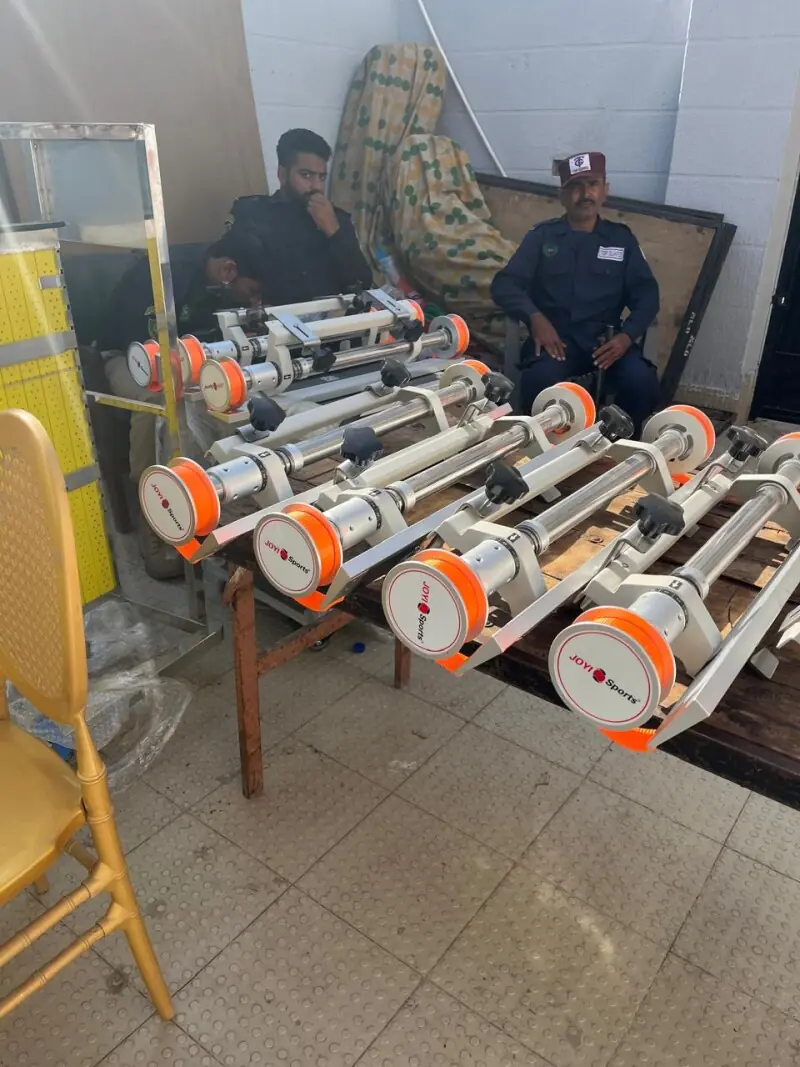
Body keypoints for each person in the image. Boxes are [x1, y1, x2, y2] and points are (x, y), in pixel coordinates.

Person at [99, 227, 263, 577]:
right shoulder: (163, 276)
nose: (252, 302)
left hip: (183, 362)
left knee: (228, 399)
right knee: (156, 406)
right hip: (129, 357)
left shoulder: (211, 287)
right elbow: (137, 347)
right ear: (229, 270)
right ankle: (154, 521)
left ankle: (211, 506)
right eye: (251, 292)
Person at [491, 151, 660, 435]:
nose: (585, 194)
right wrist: (535, 318)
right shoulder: (542, 237)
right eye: (576, 187)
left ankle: (616, 444)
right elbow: (504, 285)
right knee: (540, 381)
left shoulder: (621, 239)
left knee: (642, 383)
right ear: (563, 195)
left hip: (607, 342)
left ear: (605, 190)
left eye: (593, 184)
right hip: (557, 341)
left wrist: (626, 336)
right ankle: (547, 447)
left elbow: (648, 295)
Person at [230, 128, 373, 304]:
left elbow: (363, 282)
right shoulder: (255, 214)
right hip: (276, 325)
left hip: (334, 324)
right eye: (306, 175)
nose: (316, 186)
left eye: (321, 177)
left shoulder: (336, 219)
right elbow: (222, 267)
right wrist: (232, 282)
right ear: (282, 174)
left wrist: (334, 233)